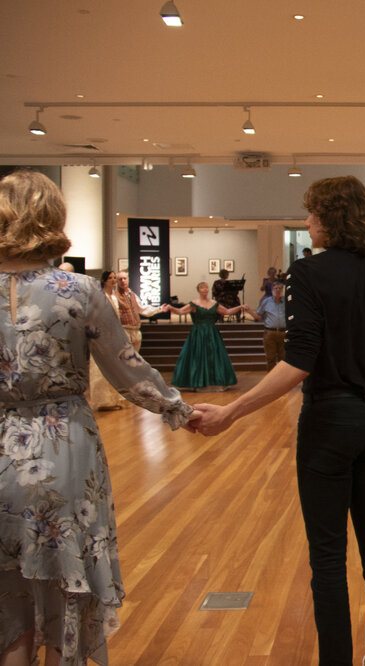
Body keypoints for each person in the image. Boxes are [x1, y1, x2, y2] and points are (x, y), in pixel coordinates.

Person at [191, 176, 365, 666]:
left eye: (310, 214)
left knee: (328, 554)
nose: (306, 222)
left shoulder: (307, 273)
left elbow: (299, 361)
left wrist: (230, 411)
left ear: (328, 218)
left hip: (330, 419)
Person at [0, 170, 195, 666]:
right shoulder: (76, 290)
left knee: (7, 595)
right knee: (66, 579)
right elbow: (127, 369)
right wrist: (180, 410)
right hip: (62, 447)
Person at [165, 282, 248, 390]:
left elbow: (227, 311)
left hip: (211, 333)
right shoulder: (194, 303)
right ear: (198, 290)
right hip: (198, 333)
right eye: (202, 287)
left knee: (214, 356)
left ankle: (216, 381)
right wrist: (170, 307)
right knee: (196, 356)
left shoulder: (214, 303)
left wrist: (240, 307)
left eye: (206, 287)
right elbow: (181, 311)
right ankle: (195, 381)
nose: (204, 289)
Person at [88, 270, 128, 411]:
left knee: (114, 369)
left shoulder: (114, 297)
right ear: (104, 280)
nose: (113, 280)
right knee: (100, 370)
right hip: (101, 336)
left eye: (114, 278)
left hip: (113, 335)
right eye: (110, 278)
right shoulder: (100, 296)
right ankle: (103, 401)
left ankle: (113, 399)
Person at [115, 272, 164, 351]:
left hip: (136, 330)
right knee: (125, 358)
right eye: (120, 279)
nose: (123, 281)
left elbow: (142, 309)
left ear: (128, 280)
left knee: (135, 359)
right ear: (117, 281)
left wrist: (159, 309)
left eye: (125, 278)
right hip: (124, 330)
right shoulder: (114, 296)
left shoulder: (132, 294)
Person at [243, 281, 286, 371]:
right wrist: (249, 311)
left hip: (283, 333)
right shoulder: (266, 302)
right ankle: (271, 380)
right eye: (275, 288)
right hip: (270, 333)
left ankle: (282, 380)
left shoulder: (286, 301)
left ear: (282, 290)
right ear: (272, 290)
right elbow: (258, 316)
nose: (278, 290)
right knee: (270, 358)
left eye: (280, 288)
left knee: (284, 358)